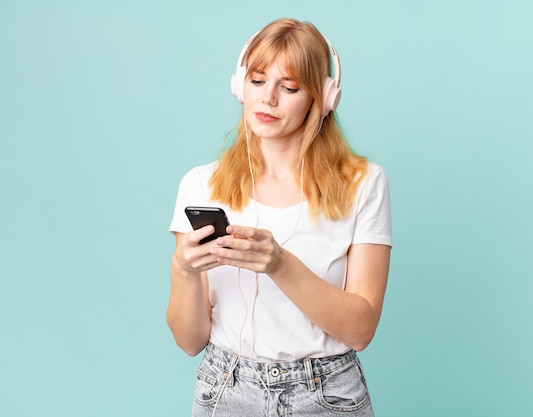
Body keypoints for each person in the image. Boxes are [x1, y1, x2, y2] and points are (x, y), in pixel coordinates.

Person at [166, 17, 392, 417]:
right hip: (226, 389)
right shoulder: (201, 184)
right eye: (257, 81)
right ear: (239, 86)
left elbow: (361, 330)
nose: (268, 99)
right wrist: (183, 271)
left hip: (327, 394)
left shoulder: (364, 183)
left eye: (288, 87)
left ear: (322, 97)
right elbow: (188, 342)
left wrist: (279, 264)